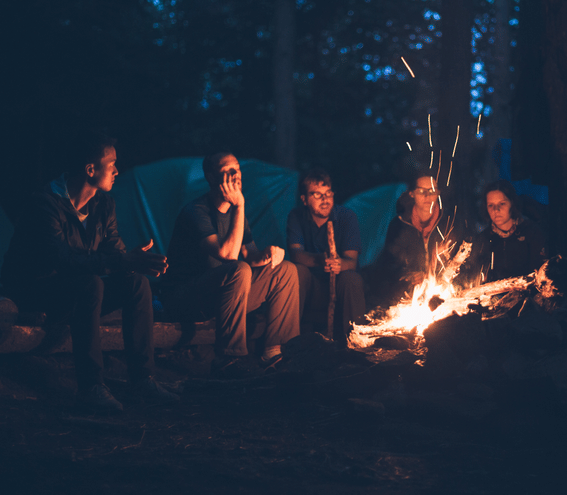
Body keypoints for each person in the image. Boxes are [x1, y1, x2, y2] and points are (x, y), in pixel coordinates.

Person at [1, 130, 178, 411]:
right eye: (112, 164)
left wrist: (133, 262)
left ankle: (143, 379)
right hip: (36, 293)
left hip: (77, 292)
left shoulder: (103, 205)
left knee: (135, 284)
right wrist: (121, 261)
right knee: (90, 283)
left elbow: (112, 251)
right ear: (90, 169)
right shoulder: (45, 204)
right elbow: (61, 259)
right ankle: (91, 386)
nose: (117, 171)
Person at [163, 151, 300, 377]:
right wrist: (239, 205)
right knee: (239, 269)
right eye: (228, 171)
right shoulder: (196, 212)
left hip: (226, 296)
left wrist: (268, 254)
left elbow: (249, 253)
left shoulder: (237, 214)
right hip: (188, 298)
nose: (236, 175)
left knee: (285, 270)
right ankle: (229, 358)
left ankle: (275, 352)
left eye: (237, 169)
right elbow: (227, 254)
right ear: (211, 177)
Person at [286, 169, 366, 339]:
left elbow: (351, 261)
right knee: (296, 271)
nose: (325, 199)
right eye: (317, 195)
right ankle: (289, 341)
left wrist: (338, 264)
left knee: (351, 278)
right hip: (312, 287)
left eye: (328, 193)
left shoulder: (346, 217)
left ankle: (355, 342)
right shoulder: (297, 216)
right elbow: (296, 254)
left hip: (339, 284)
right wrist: (320, 261)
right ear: (304, 199)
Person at [370, 171, 457, 305]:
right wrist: (407, 274)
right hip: (410, 294)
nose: (427, 196)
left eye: (432, 191)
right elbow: (389, 264)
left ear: (438, 193)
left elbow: (463, 258)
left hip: (444, 290)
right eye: (422, 191)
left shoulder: (449, 223)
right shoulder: (399, 225)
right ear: (412, 193)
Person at [462, 180, 548, 285]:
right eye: (490, 205)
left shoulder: (531, 233)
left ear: (512, 203)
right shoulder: (483, 239)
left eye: (502, 204)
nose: (496, 210)